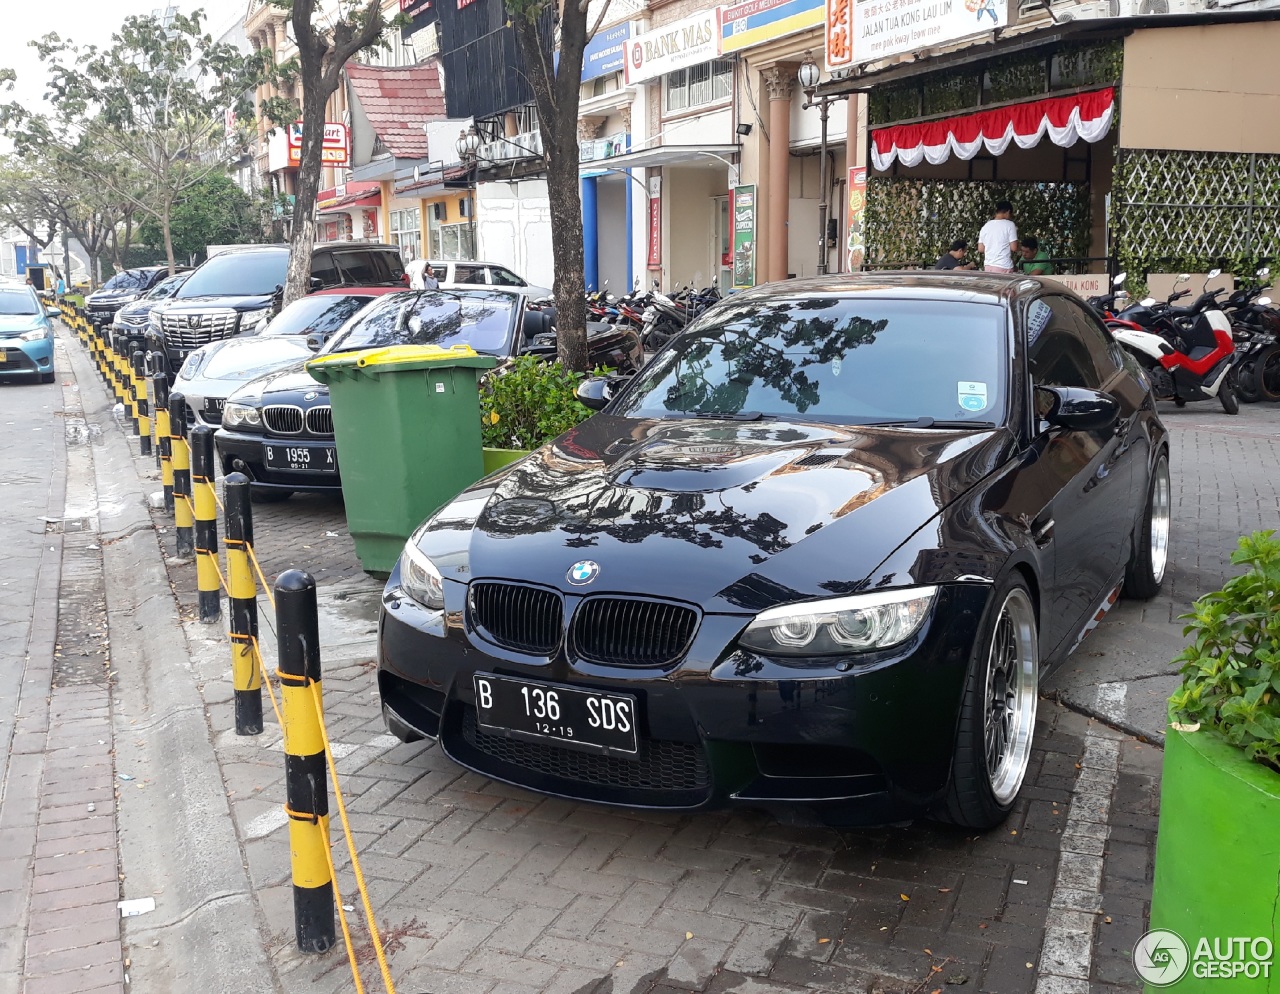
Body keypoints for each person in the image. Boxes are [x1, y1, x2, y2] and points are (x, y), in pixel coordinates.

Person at [977, 201, 1019, 274]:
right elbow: (1014, 248)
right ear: (1008, 212)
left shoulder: (986, 226)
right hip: (1004, 265)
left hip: (988, 266)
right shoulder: (1010, 225)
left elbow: (980, 249)